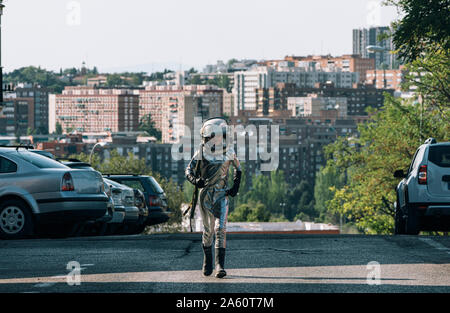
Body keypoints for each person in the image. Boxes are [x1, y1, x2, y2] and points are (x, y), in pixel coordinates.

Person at [185, 117, 241, 278]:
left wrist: (235, 186)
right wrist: (196, 180)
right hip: (205, 197)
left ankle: (219, 266)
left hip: (221, 195)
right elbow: (188, 170)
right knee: (208, 231)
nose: (218, 139)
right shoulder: (201, 152)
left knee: (220, 229)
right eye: (214, 136)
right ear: (208, 137)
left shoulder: (229, 151)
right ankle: (207, 261)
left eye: (221, 136)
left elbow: (238, 168)